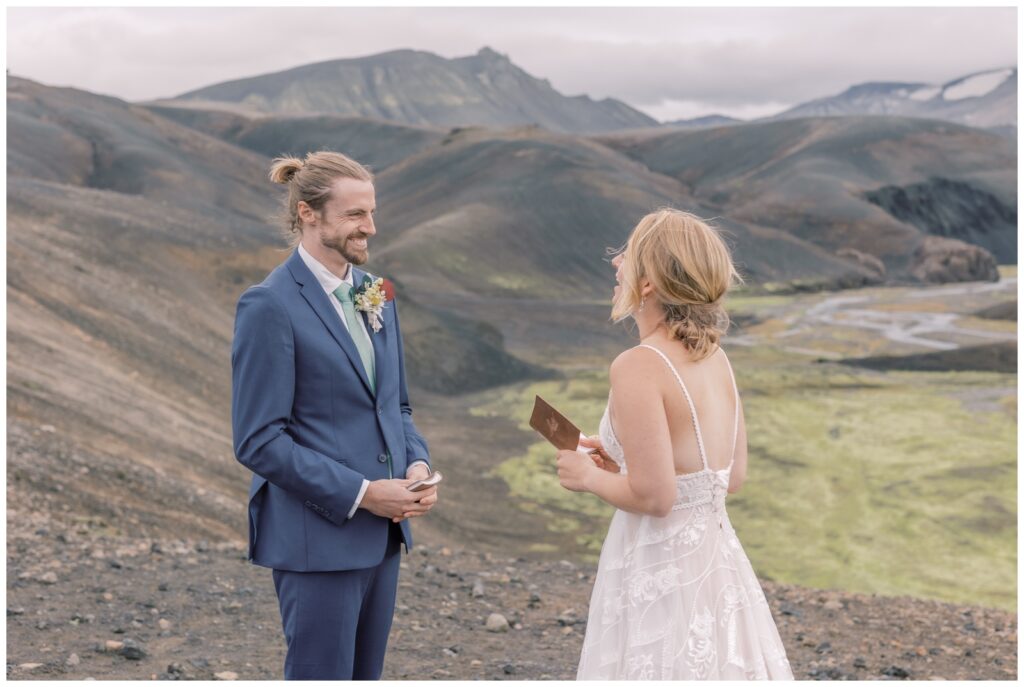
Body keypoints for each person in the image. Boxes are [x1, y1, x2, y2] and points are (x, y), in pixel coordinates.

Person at [557, 209, 793, 680]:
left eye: (626, 255)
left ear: (647, 285)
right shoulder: (716, 357)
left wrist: (586, 477)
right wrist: (617, 470)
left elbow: (657, 497)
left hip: (657, 566)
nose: (615, 263)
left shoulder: (638, 364)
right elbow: (731, 477)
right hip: (716, 563)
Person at [231, 151, 438, 680]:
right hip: (316, 539)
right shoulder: (269, 305)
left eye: (370, 212)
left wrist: (416, 467)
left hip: (384, 537)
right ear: (308, 213)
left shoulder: (379, 293)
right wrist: (365, 493)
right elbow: (258, 441)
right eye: (354, 215)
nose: (370, 227)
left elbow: (397, 405)